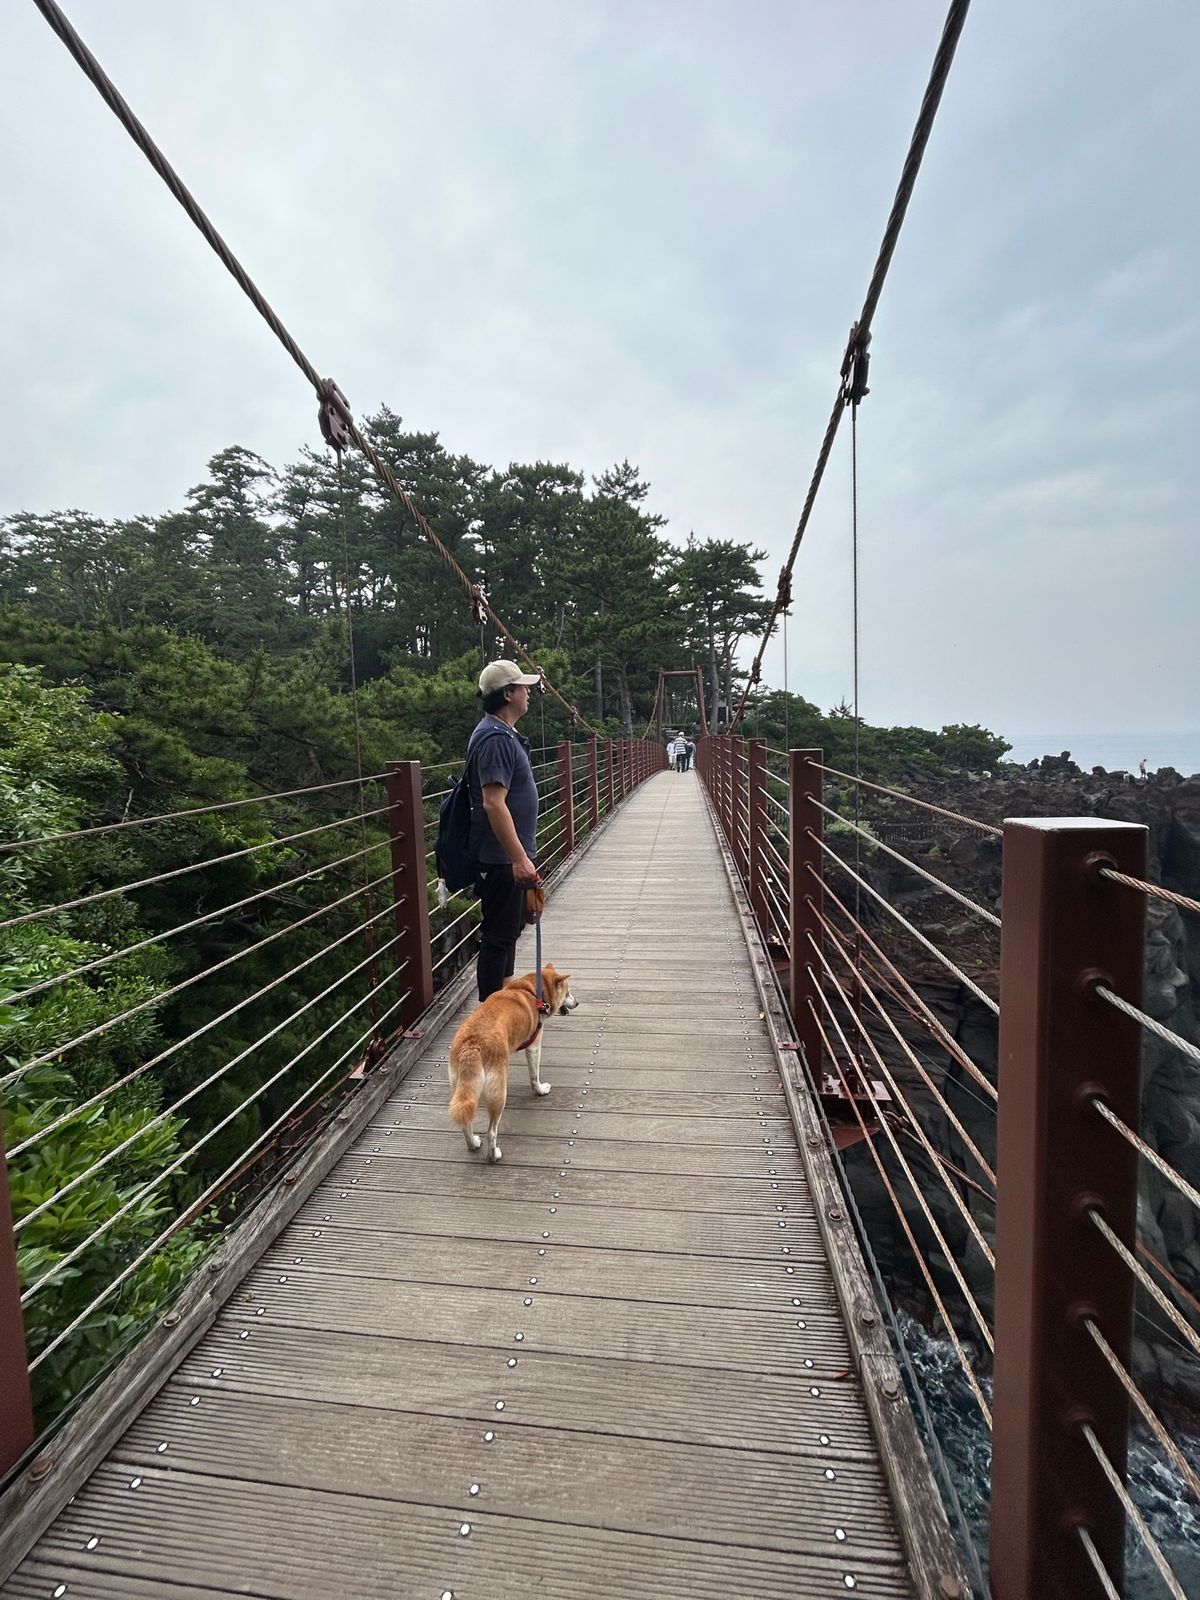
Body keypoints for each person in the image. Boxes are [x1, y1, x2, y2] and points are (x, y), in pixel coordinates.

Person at [467, 659, 542, 1000]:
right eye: (523, 687)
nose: (529, 692)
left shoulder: (501, 733)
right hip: (501, 858)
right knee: (498, 938)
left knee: (507, 934)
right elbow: (493, 803)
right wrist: (518, 858)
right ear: (508, 694)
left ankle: (503, 1005)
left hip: (506, 856)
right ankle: (490, 1016)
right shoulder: (496, 740)